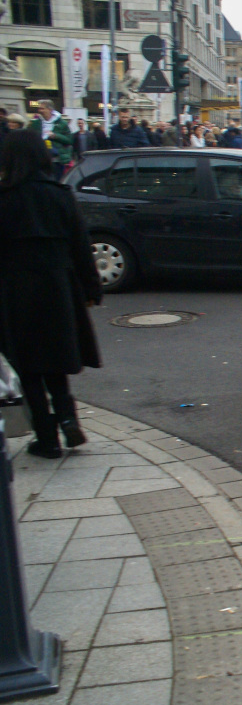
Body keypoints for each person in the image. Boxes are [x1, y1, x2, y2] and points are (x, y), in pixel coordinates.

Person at [0, 129, 102, 458]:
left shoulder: (4, 198)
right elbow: (81, 246)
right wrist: (90, 288)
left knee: (27, 364)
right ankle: (69, 419)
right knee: (56, 358)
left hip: (14, 290)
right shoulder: (60, 194)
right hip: (58, 286)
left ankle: (46, 437)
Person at [28, 100, 72, 177]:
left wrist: (56, 136)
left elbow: (69, 140)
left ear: (50, 109)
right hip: (41, 159)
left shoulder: (62, 124)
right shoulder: (36, 124)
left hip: (57, 159)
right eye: (39, 109)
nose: (39, 111)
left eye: (42, 108)